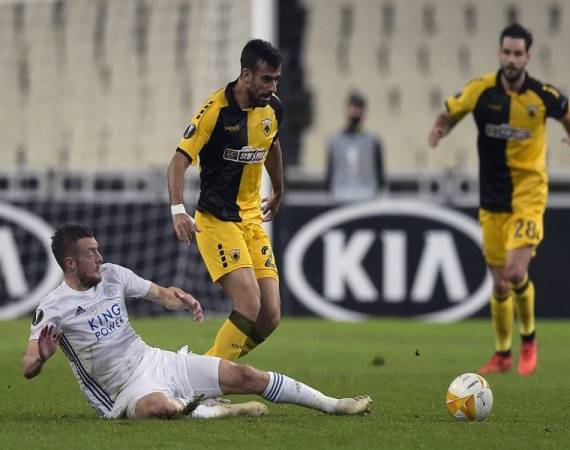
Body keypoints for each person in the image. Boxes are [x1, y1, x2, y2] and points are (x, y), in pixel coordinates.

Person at [22, 224, 372, 419]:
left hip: (155, 360)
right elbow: (27, 366)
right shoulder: (53, 307)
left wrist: (182, 298)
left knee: (244, 375)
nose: (100, 257)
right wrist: (42, 357)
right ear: (70, 263)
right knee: (159, 408)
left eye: (98, 249)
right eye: (90, 253)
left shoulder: (113, 275)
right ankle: (216, 411)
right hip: (121, 391)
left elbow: (159, 293)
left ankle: (333, 404)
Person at [428, 23, 570, 376]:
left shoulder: (543, 95)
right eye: (507, 52)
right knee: (499, 283)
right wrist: (440, 129)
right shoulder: (481, 90)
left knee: (516, 273)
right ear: (500, 53)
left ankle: (529, 338)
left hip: (529, 194)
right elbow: (451, 111)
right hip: (492, 198)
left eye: (518, 53)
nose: (512, 59)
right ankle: (502, 353)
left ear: (528, 56)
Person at [167, 39, 284, 362]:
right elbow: (178, 161)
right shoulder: (215, 111)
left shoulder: (273, 108)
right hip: (217, 221)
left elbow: (271, 144)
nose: (272, 87)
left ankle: (205, 371)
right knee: (248, 304)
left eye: (276, 80)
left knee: (269, 316)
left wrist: (278, 189)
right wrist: (178, 210)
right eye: (266, 79)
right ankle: (208, 383)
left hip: (251, 221)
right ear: (246, 75)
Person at [326, 91, 386, 202]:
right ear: (346, 109)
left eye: (358, 107)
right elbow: (330, 174)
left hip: (367, 196)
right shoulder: (335, 141)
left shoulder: (372, 141)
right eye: (352, 106)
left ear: (363, 112)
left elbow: (380, 175)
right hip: (340, 196)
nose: (355, 111)